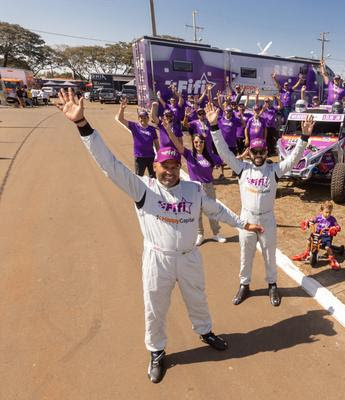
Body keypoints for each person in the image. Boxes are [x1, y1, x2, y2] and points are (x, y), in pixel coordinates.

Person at [54, 88, 263, 384]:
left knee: (198, 298)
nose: (170, 171)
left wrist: (244, 224)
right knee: (155, 307)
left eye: (175, 165)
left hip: (189, 257)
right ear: (155, 166)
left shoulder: (192, 189)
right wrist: (82, 125)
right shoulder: (144, 189)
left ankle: (204, 331)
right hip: (158, 259)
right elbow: (109, 166)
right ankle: (156, 351)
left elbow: (216, 209)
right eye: (165, 165)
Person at [209, 105, 315, 306]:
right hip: (247, 219)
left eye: (262, 151)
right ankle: (244, 284)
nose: (258, 154)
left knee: (269, 254)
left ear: (267, 152)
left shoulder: (274, 170)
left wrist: (304, 137)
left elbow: (293, 160)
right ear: (249, 152)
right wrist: (214, 126)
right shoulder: (242, 168)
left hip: (267, 218)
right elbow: (223, 152)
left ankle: (272, 285)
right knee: (245, 254)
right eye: (255, 151)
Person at [163, 120, 227, 245]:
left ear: (204, 143)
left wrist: (242, 157)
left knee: (212, 210)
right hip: (194, 188)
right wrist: (169, 131)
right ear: (193, 143)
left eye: (201, 142)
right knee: (196, 212)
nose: (198, 144)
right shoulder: (189, 155)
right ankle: (200, 234)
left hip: (208, 187)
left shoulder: (211, 157)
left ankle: (216, 233)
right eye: (196, 142)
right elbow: (176, 143)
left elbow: (226, 159)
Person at [115, 97, 159, 178]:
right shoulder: (134, 126)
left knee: (153, 178)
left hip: (151, 157)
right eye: (141, 117)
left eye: (145, 117)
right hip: (139, 157)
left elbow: (156, 143)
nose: (143, 119)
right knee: (139, 178)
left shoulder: (152, 129)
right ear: (138, 118)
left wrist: (159, 155)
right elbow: (120, 119)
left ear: (148, 118)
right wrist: (121, 109)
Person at [291, 201, 342, 270]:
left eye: (330, 212)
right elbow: (312, 220)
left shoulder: (332, 219)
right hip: (317, 234)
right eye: (326, 212)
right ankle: (306, 253)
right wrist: (307, 222)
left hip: (327, 235)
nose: (328, 214)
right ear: (322, 211)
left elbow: (338, 226)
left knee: (327, 247)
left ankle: (332, 258)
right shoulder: (319, 217)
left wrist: (335, 228)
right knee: (309, 242)